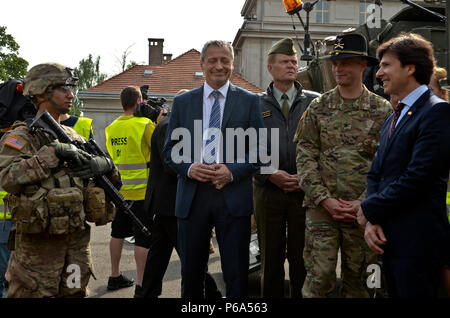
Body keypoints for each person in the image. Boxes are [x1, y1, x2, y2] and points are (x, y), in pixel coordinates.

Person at [0, 62, 117, 297]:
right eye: (64, 88)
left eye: (71, 87)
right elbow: (8, 178)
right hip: (37, 251)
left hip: (75, 247)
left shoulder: (76, 136)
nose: (71, 94)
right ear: (42, 91)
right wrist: (51, 153)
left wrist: (106, 166)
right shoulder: (21, 136)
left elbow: (109, 182)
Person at [163, 40, 265, 298]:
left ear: (233, 64)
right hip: (193, 197)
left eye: (225, 60)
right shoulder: (183, 102)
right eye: (212, 60)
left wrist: (232, 171)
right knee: (192, 275)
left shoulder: (251, 101)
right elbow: (169, 150)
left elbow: (262, 150)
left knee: (237, 275)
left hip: (234, 196)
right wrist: (188, 168)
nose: (219, 66)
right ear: (202, 64)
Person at [294, 33, 392, 298]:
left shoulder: (382, 111)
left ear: (363, 65)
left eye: (345, 62)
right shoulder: (318, 107)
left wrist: (365, 202)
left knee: (363, 282)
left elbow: (389, 165)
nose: (338, 68)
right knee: (319, 278)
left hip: (365, 213)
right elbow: (304, 156)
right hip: (322, 211)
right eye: (335, 63)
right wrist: (324, 199)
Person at [357, 33, 450, 298]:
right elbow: (377, 172)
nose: (379, 74)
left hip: (418, 243)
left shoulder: (437, 112)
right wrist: (372, 220)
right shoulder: (393, 117)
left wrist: (368, 208)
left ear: (410, 68)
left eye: (386, 65)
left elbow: (418, 177)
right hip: (391, 240)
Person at [253, 38, 319, 298]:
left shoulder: (315, 102)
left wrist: (305, 177)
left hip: (305, 192)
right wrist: (269, 173)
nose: (292, 66)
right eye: (285, 61)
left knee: (303, 259)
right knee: (270, 260)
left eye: (293, 61)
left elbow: (324, 147)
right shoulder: (254, 104)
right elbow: (244, 147)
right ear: (270, 67)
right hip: (268, 193)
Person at [139, 89, 222, 298]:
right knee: (192, 258)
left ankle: (145, 295)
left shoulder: (172, 125)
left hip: (167, 205)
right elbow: (172, 164)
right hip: (172, 205)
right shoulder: (169, 127)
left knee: (159, 258)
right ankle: (212, 295)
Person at [105, 86, 156, 297]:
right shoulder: (145, 124)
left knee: (117, 233)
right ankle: (142, 284)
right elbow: (159, 151)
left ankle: (114, 275)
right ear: (138, 102)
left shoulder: (111, 127)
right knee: (143, 238)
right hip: (143, 192)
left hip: (120, 192)